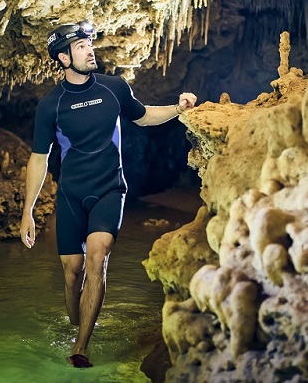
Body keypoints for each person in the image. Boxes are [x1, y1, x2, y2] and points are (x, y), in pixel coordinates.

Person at [19, 21, 197, 368]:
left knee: (97, 258)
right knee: (73, 272)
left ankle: (80, 346)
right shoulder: (51, 105)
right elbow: (38, 159)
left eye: (90, 44)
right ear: (63, 58)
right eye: (82, 46)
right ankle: (75, 323)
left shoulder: (114, 87)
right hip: (71, 195)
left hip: (109, 189)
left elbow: (143, 116)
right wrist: (28, 210)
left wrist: (178, 109)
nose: (90, 50)